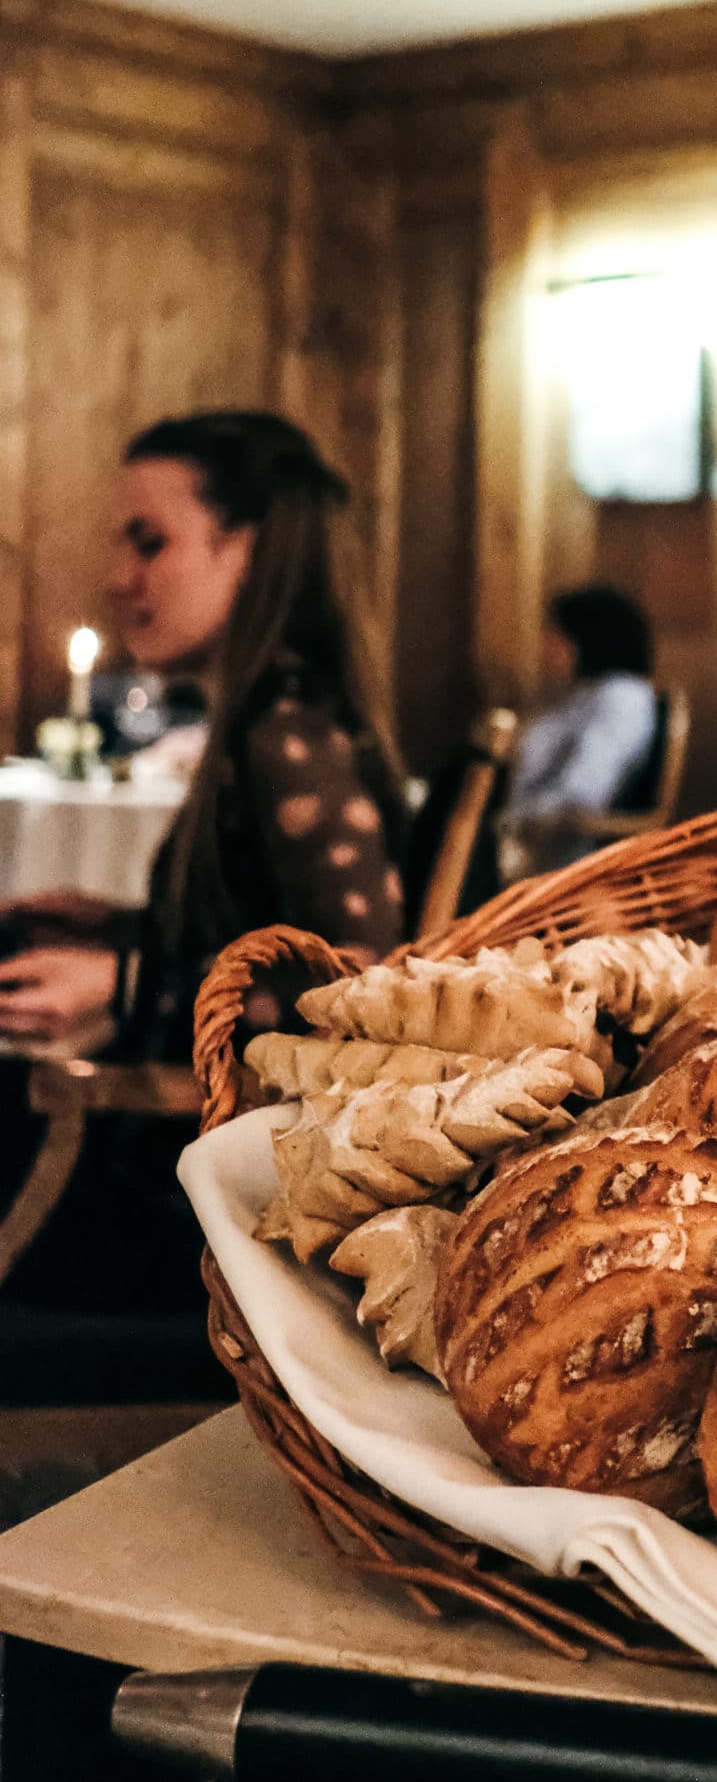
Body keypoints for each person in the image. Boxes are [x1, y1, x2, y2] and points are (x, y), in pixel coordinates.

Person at [0, 411, 404, 1341]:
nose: (119, 577)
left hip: (195, 1201)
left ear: (252, 551)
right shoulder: (267, 715)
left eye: (151, 542)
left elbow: (363, 989)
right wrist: (110, 927)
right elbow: (257, 927)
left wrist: (128, 984)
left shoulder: (289, 736)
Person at [505, 587, 660, 866]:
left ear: (587, 639)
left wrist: (508, 819)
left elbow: (581, 794)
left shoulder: (622, 698)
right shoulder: (585, 695)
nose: (546, 646)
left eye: (555, 635)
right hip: (531, 836)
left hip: (564, 856)